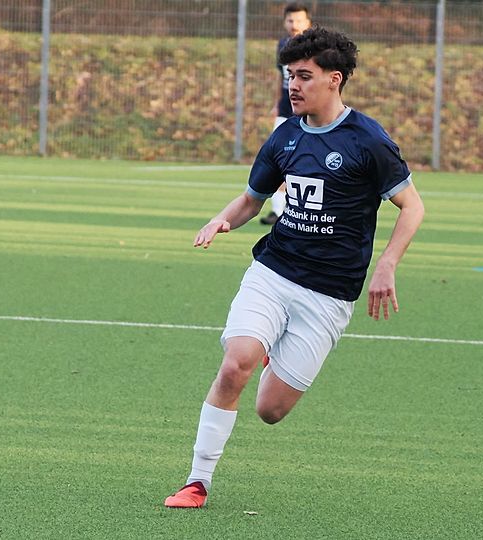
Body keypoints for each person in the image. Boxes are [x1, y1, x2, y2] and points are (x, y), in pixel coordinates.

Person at [164, 27, 426, 508]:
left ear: (334, 79)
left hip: (329, 294)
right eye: (290, 75)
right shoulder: (285, 136)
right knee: (236, 364)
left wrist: (387, 264)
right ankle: (197, 481)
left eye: (304, 76)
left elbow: (412, 206)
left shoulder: (367, 140)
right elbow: (252, 199)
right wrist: (223, 219)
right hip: (273, 272)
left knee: (270, 410)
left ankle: (273, 355)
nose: (293, 85)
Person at [259, 3, 312, 226]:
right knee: (278, 160)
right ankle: (278, 210)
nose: (294, 24)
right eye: (290, 20)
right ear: (284, 22)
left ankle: (301, 211)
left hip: (306, 113)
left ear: (308, 22)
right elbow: (280, 77)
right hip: (284, 111)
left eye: (299, 20)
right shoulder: (282, 45)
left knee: (306, 162)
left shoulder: (314, 47)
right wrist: (276, 103)